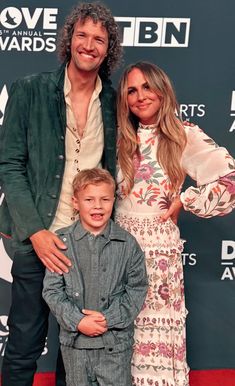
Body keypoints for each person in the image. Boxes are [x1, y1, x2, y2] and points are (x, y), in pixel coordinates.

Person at [0, 2, 122, 385]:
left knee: (77, 350)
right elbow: (9, 166)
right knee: (24, 342)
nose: (89, 45)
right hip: (39, 238)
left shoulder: (115, 103)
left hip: (88, 245)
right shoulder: (29, 91)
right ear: (69, 40)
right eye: (82, 35)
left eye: (98, 39)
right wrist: (36, 233)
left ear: (108, 49)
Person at [115, 61, 235, 386]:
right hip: (115, 253)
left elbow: (230, 178)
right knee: (115, 344)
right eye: (131, 90)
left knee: (152, 345)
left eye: (146, 87)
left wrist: (187, 200)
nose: (140, 96)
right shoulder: (118, 138)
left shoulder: (183, 134)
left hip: (158, 257)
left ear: (162, 90)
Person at [42, 168, 148, 386]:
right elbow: (52, 291)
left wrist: (108, 319)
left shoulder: (128, 245)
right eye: (89, 199)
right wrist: (78, 320)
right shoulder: (61, 243)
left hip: (115, 347)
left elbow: (137, 289)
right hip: (75, 347)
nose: (98, 206)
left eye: (105, 199)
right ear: (75, 202)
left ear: (113, 201)